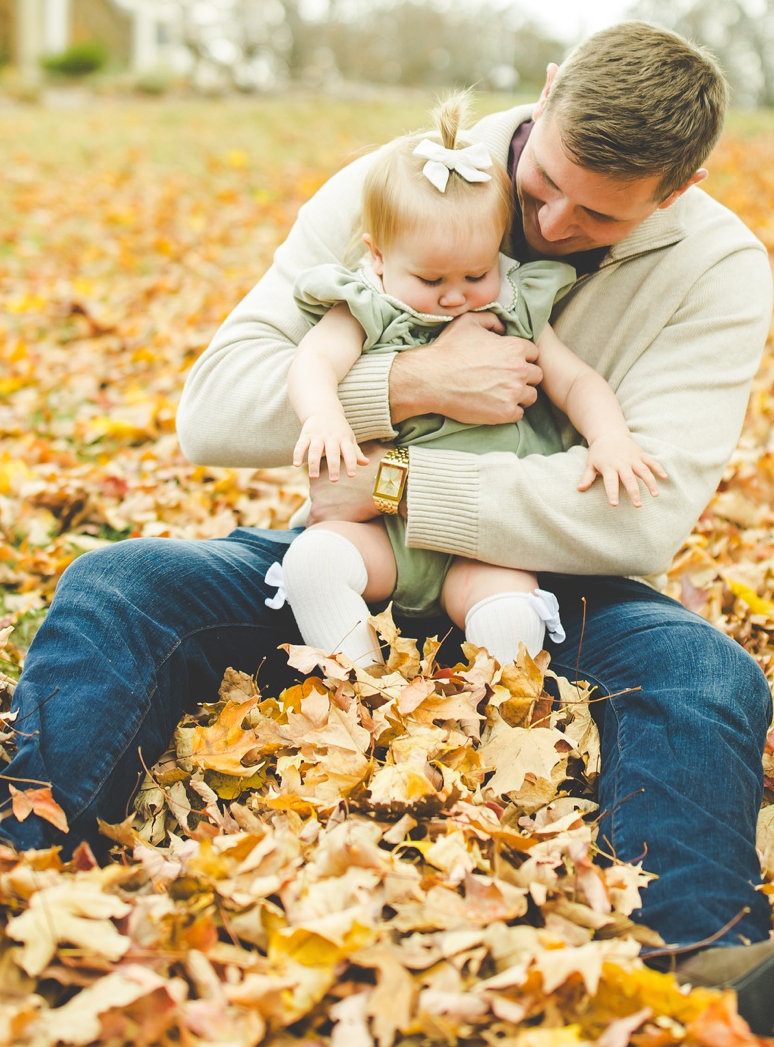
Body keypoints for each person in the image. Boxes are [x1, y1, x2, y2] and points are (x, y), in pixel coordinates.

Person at [0, 23, 774, 1040]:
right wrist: (410, 383)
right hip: (349, 566)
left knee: (704, 673)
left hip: (546, 581)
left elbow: (638, 516)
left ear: (671, 195)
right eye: (544, 180)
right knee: (122, 583)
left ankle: (704, 960)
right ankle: (1, 863)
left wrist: (400, 479)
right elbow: (214, 409)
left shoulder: (719, 268)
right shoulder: (398, 188)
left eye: (595, 213)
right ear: (546, 93)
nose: (547, 221)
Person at [275, 89, 666, 669]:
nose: (455, 295)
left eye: (476, 273)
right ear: (378, 257)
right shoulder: (368, 305)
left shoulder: (517, 307)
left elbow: (576, 382)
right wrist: (326, 414)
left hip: (487, 538)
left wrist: (610, 438)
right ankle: (357, 689)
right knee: (313, 563)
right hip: (381, 533)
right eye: (430, 278)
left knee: (513, 608)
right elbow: (311, 363)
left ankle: (491, 717)